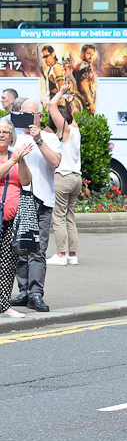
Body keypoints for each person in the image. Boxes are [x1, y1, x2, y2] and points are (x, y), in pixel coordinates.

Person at [9, 100, 62, 314]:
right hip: (18, 199)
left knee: (38, 251)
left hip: (42, 199)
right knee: (20, 249)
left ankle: (36, 293)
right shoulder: (13, 139)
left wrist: (38, 138)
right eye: (23, 114)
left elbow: (55, 162)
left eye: (32, 115)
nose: (27, 118)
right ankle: (23, 291)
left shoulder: (50, 138)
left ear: (40, 117)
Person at [46, 83, 82, 266]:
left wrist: (60, 92)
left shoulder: (64, 130)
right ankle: (72, 255)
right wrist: (69, 104)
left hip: (63, 177)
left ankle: (60, 255)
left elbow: (52, 106)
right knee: (70, 216)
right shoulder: (75, 128)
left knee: (58, 216)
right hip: (77, 178)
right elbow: (70, 114)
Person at [0, 119, 33, 318]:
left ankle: (3, 304)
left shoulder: (15, 156)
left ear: (12, 137)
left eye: (6, 132)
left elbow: (26, 181)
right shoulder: (10, 159)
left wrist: (21, 160)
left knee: (8, 263)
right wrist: (12, 161)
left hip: (12, 218)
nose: (2, 134)